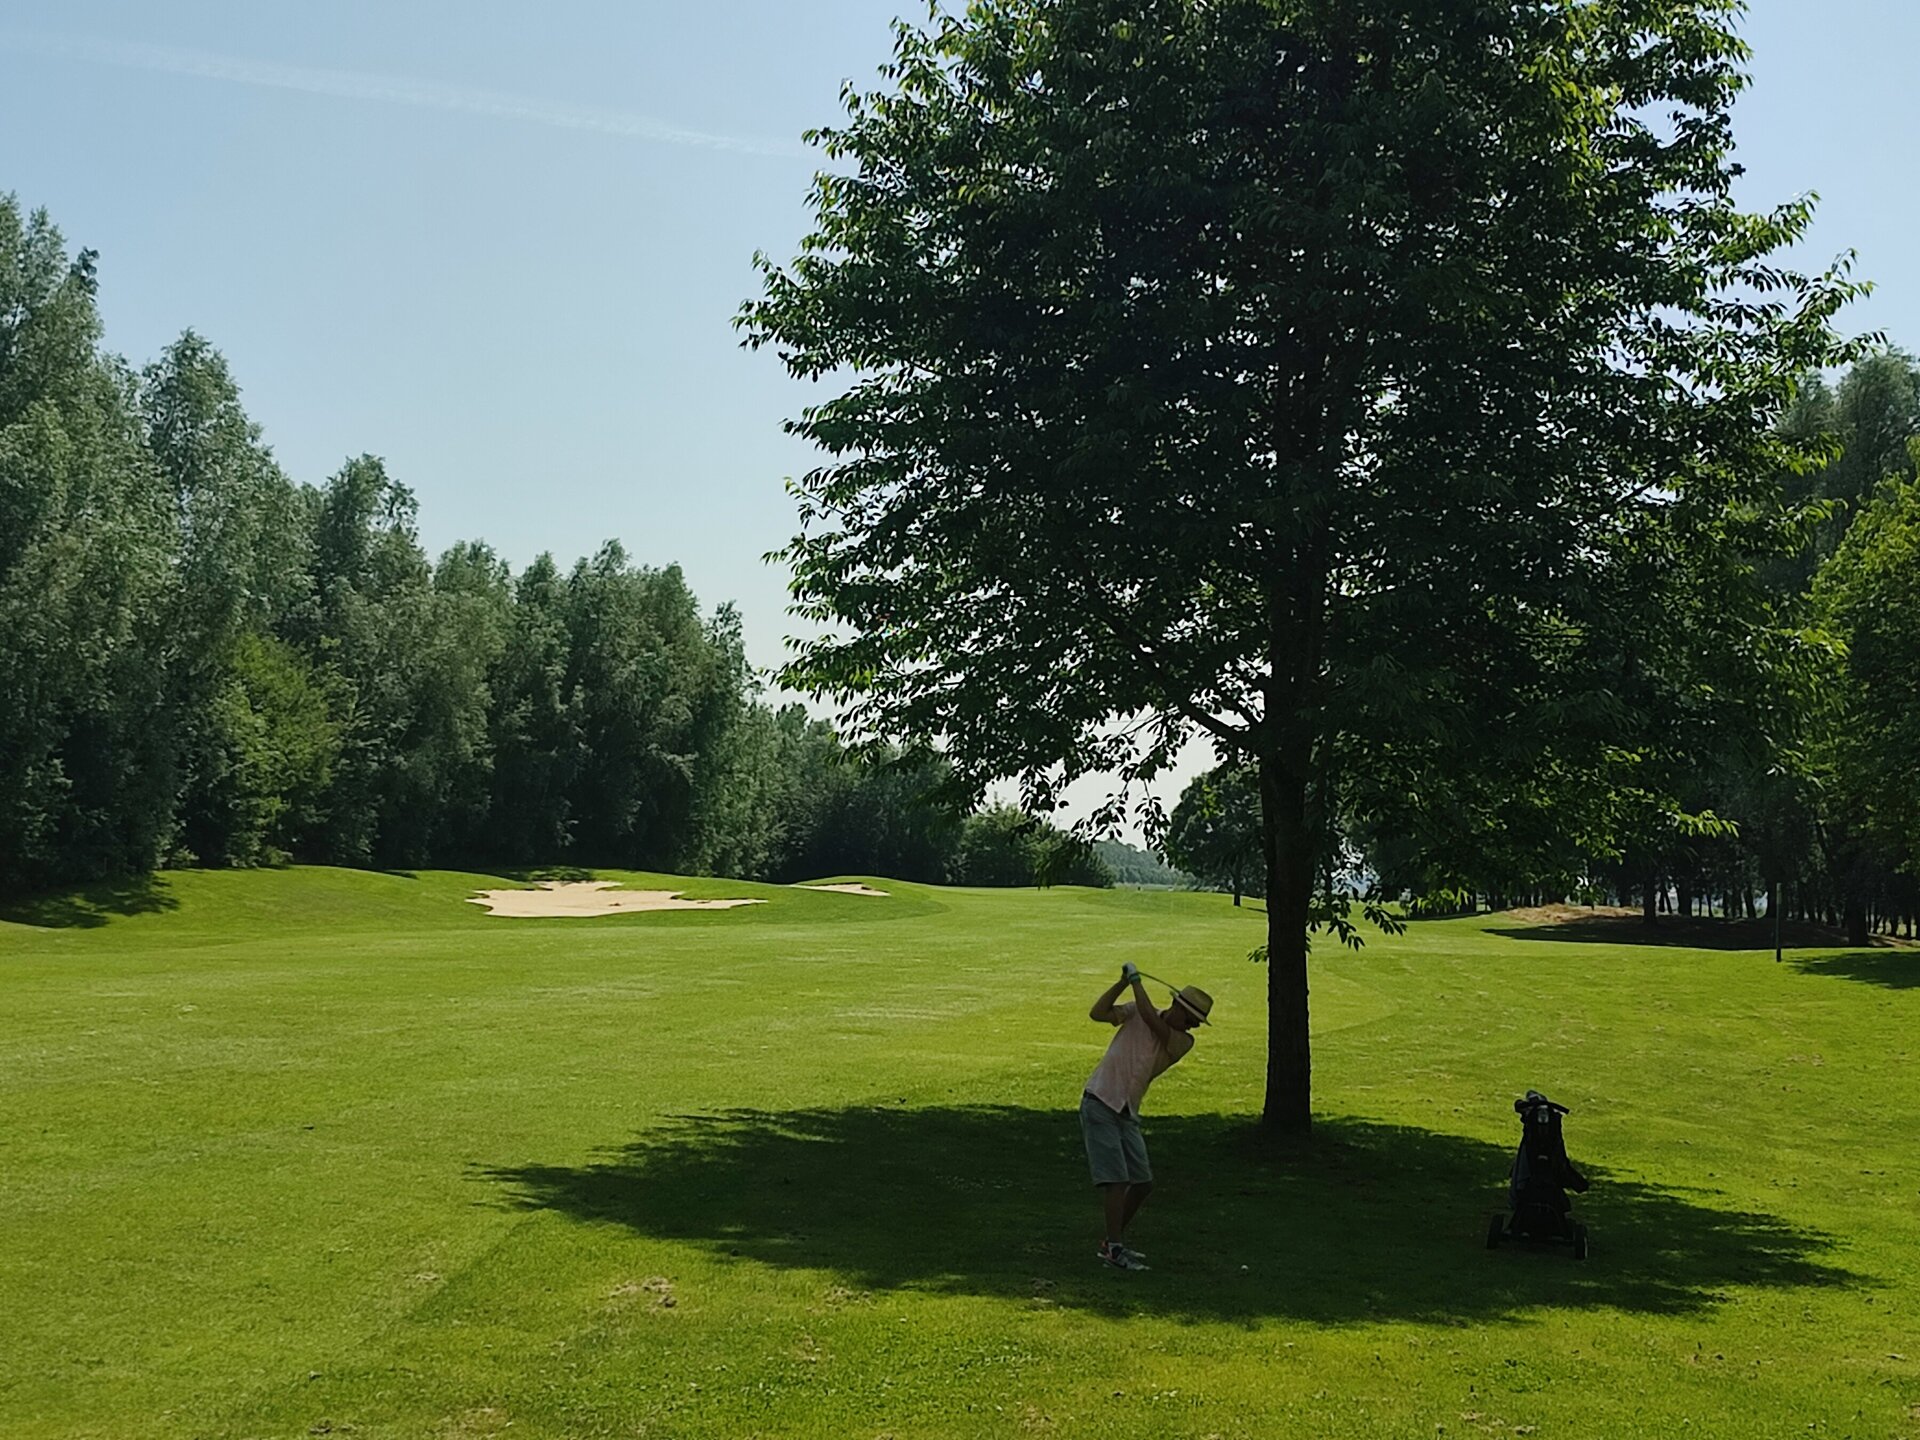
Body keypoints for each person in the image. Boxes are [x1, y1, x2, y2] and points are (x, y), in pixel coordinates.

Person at [1080, 961, 1212, 1270]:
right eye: (1191, 1019)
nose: (1192, 1026)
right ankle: (1114, 1249)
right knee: (1116, 1180)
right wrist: (1123, 983)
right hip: (1100, 1100)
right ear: (1178, 1007)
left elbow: (1153, 1020)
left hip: (1126, 1110)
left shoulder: (1182, 1042)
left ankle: (1112, 1241)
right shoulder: (1136, 1011)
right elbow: (1098, 1013)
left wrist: (1137, 981)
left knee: (1142, 1182)